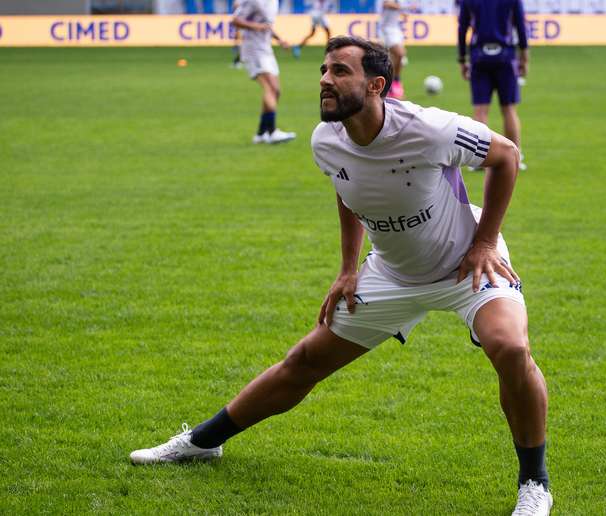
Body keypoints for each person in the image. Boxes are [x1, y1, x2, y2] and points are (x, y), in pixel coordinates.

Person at [129, 36, 553, 516]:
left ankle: (535, 484)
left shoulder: (430, 128)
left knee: (511, 347)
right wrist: (349, 268)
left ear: (376, 85)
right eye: (324, 70)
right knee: (303, 362)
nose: (326, 80)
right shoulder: (324, 139)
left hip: (467, 263)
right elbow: (347, 189)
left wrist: (482, 242)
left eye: (340, 71)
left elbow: (507, 156)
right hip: (392, 273)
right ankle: (202, 442)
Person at [458, 0, 529, 171]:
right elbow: (520, 25)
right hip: (505, 56)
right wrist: (524, 56)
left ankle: (478, 160)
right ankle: (515, 158)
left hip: (479, 56)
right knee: (509, 110)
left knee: (480, 111)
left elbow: (462, 28)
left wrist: (462, 58)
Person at [232, 0, 296, 144]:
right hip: (253, 49)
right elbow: (235, 20)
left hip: (265, 49)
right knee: (270, 88)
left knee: (276, 91)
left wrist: (279, 40)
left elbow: (267, 25)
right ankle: (272, 132)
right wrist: (257, 26)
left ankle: (261, 134)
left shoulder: (273, 2)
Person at [379, 0, 408, 99]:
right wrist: (402, 8)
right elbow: (387, 4)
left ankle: (391, 85)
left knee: (396, 58)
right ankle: (395, 81)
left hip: (396, 29)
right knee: (399, 53)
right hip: (386, 30)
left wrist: (402, 12)